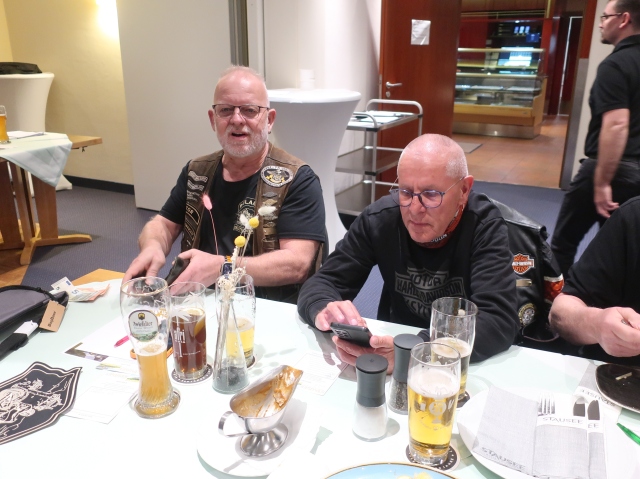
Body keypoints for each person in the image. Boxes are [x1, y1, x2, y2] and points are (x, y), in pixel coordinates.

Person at [297, 134, 519, 371]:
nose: (414, 209)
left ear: (464, 190)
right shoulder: (380, 219)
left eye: (431, 194)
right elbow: (323, 283)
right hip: (391, 348)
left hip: (454, 367)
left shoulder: (483, 225)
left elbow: (498, 320)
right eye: (405, 192)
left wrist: (414, 351)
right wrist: (324, 309)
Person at [124, 66, 326, 302]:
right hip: (198, 301)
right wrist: (153, 246)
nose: (237, 120)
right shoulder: (196, 172)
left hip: (265, 306)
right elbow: (163, 225)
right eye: (226, 110)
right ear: (213, 119)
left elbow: (297, 264)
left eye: (249, 110)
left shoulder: (298, 179)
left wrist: (224, 267)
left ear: (269, 120)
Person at [551, 0, 640, 276]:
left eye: (605, 16)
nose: (601, 23)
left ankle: (553, 298)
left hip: (612, 170)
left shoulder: (615, 64)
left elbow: (616, 125)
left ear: (624, 19)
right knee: (623, 250)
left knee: (563, 243)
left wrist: (601, 182)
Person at [549, 196, 640, 365]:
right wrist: (596, 324)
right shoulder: (633, 218)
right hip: (618, 373)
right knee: (562, 245)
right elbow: (561, 312)